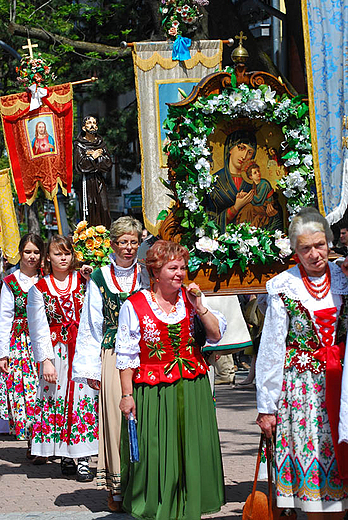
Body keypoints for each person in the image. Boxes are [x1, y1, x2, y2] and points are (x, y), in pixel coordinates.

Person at [116, 240, 226, 520]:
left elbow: (215, 335)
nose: (180, 273)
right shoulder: (135, 305)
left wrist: (199, 306)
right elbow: (127, 356)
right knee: (156, 449)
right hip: (154, 390)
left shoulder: (190, 301)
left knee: (191, 447)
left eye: (183, 267)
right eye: (173, 268)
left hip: (192, 387)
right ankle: (157, 504)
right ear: (155, 271)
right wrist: (127, 396)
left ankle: (190, 503)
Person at [256, 207, 348, 518]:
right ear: (295, 250)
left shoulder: (345, 277)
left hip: (343, 383)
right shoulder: (284, 285)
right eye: (305, 248)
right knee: (316, 472)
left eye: (319, 245)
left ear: (330, 242)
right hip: (304, 391)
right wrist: (267, 406)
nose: (314, 254)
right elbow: (271, 348)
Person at [72, 216, 149, 512]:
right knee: (117, 421)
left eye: (133, 242)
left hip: (144, 351)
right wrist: (91, 369)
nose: (128, 248)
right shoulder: (100, 277)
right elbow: (92, 325)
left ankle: (141, 484)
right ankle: (116, 489)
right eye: (123, 242)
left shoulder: (146, 274)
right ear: (113, 244)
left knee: (144, 415)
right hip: (113, 353)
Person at [27, 235, 99, 481]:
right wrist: (45, 360)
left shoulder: (84, 280)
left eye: (67, 253)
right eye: (58, 254)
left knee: (83, 399)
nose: (63, 258)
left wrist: (93, 277)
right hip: (57, 351)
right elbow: (38, 327)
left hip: (81, 349)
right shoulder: (39, 289)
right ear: (48, 257)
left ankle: (83, 458)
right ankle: (66, 455)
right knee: (58, 399)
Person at [0, 233, 44, 458]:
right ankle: (32, 443)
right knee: (26, 393)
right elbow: (4, 318)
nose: (32, 256)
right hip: (21, 344)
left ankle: (45, 440)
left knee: (45, 390)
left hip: (46, 342)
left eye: (36, 252)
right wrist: (2, 354)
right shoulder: (10, 281)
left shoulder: (47, 279)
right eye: (28, 252)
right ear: (20, 253)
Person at [206, 129, 256, 232]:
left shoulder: (253, 184)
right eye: (241, 148)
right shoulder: (214, 182)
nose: (244, 156)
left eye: (249, 152)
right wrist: (236, 208)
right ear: (230, 148)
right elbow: (207, 222)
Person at [73, 115, 112, 228]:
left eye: (94, 123)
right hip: (87, 182)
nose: (92, 125)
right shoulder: (79, 145)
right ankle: (90, 236)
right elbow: (80, 165)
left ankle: (104, 234)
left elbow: (108, 163)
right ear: (84, 127)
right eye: (89, 123)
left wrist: (96, 158)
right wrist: (93, 157)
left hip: (99, 180)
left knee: (104, 208)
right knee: (89, 208)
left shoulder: (101, 144)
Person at [236, 161, 283, 230]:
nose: (258, 173)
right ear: (250, 177)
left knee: (248, 208)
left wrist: (247, 195)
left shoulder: (264, 183)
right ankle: (243, 228)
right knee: (246, 209)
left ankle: (247, 228)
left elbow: (259, 201)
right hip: (261, 206)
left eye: (258, 171)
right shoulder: (255, 185)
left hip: (267, 206)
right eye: (255, 172)